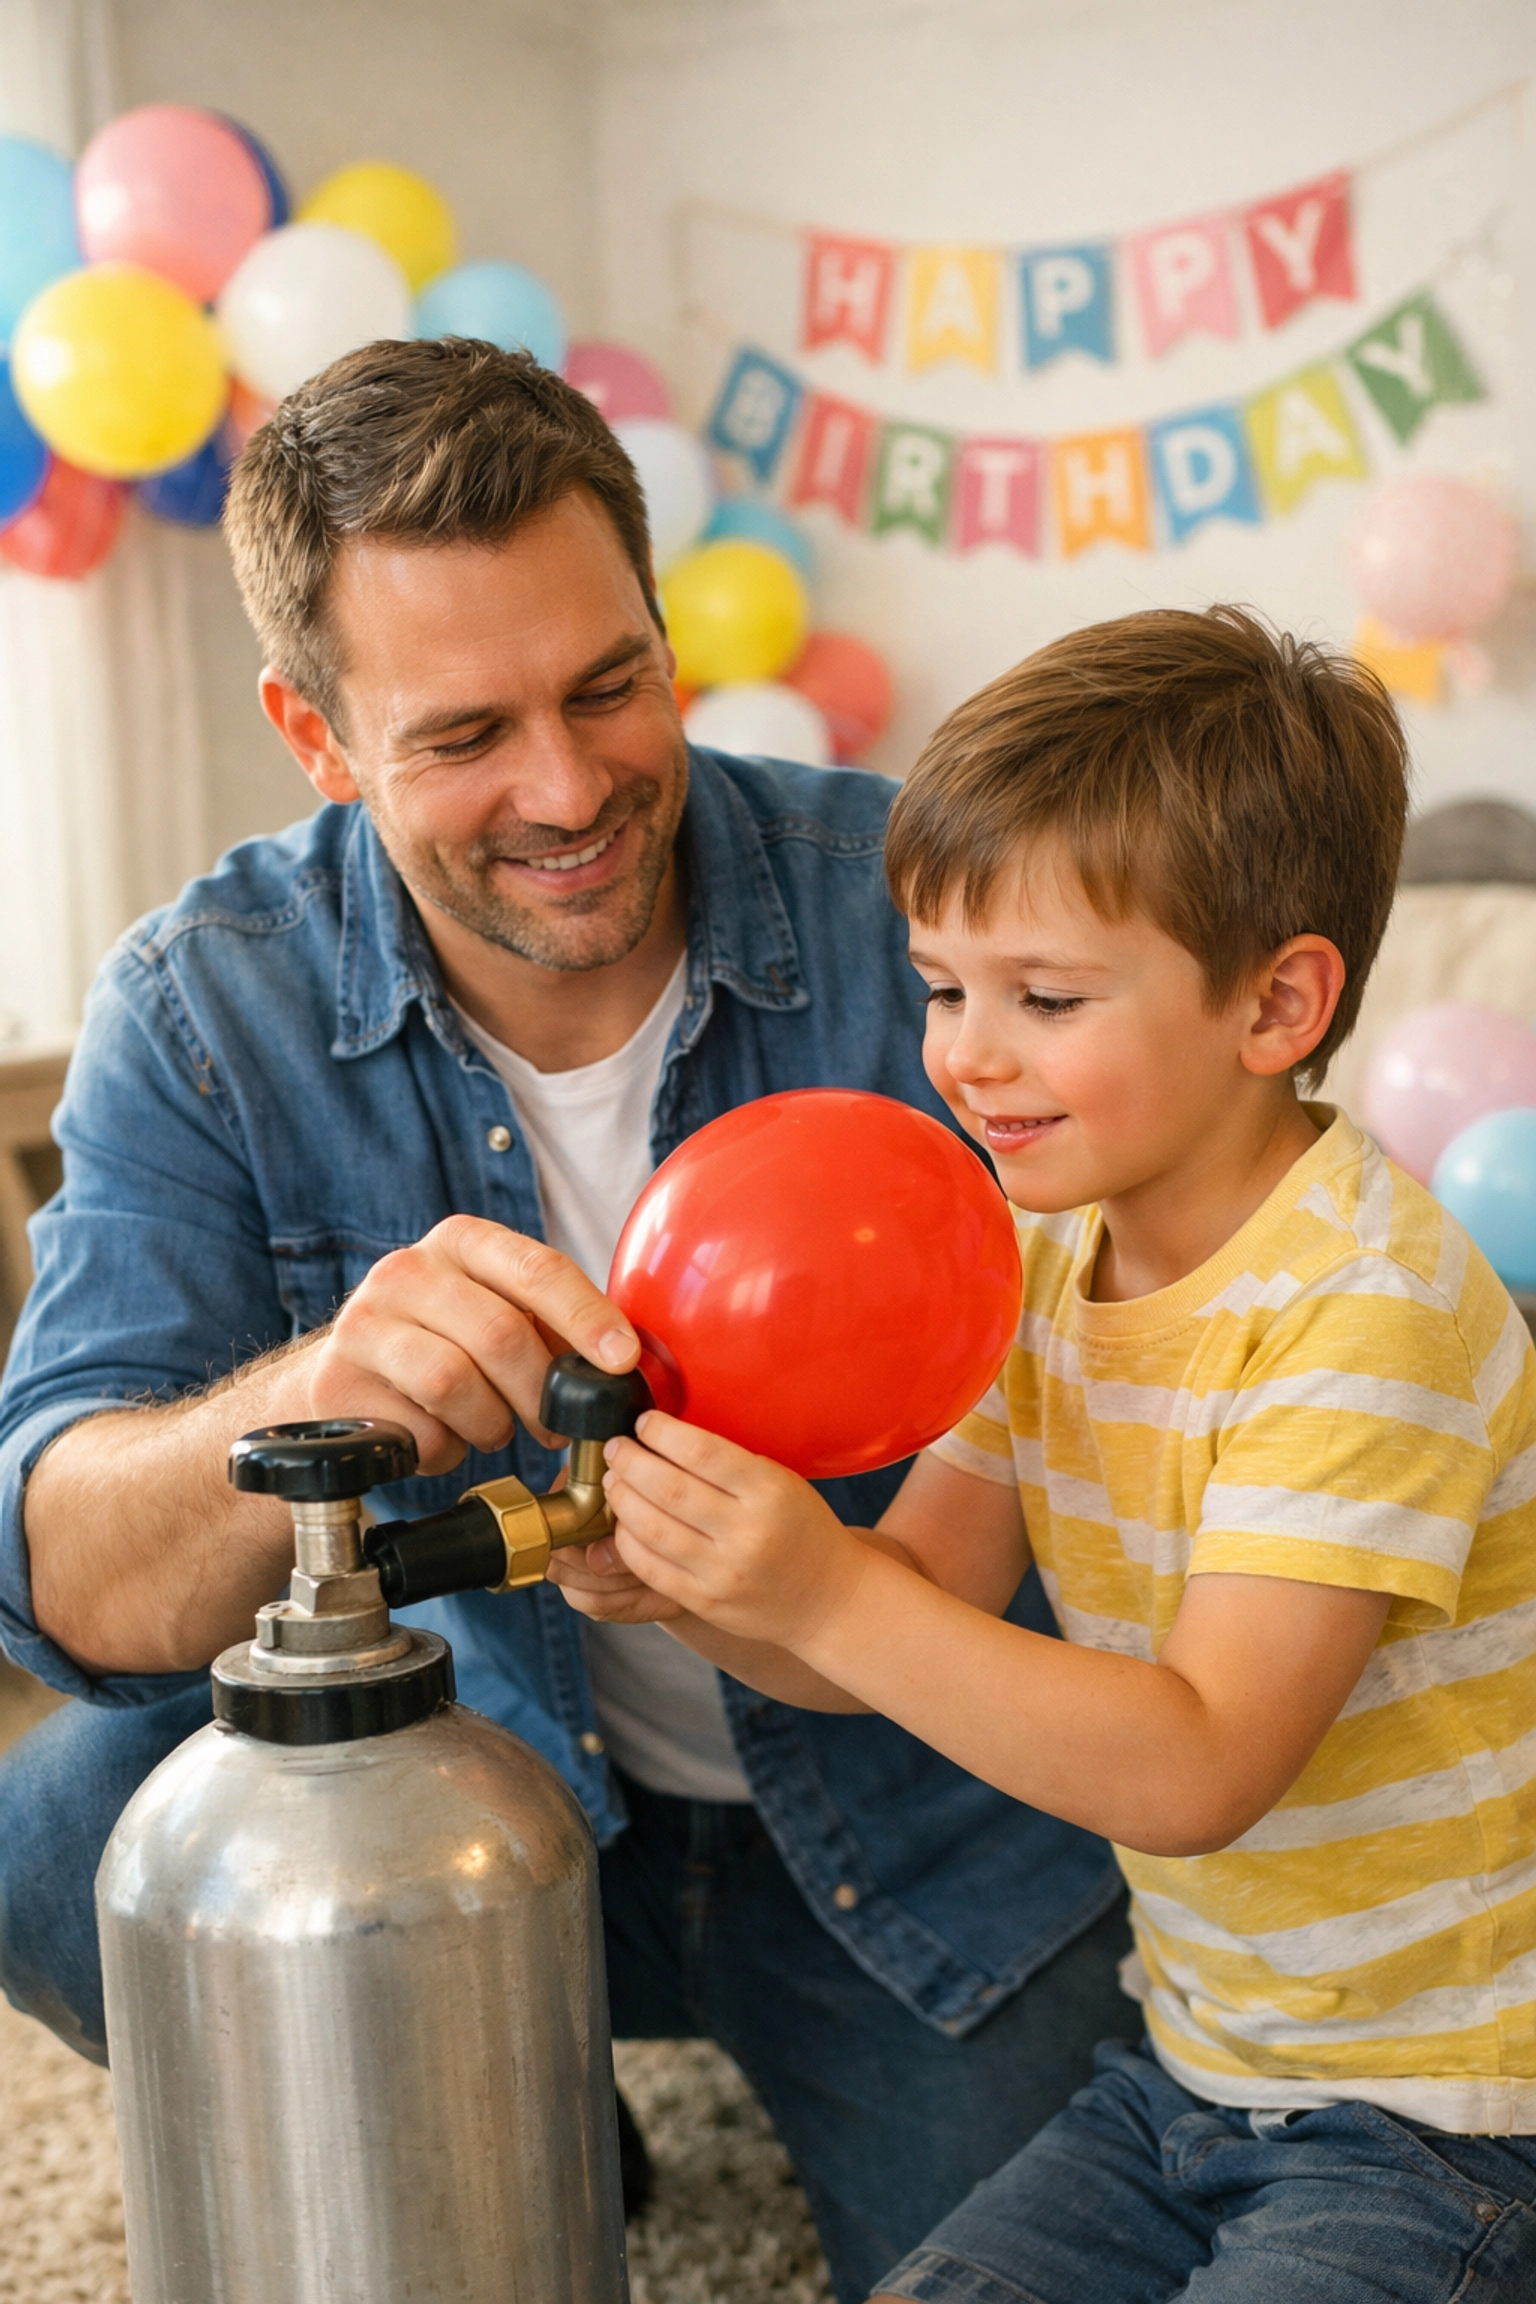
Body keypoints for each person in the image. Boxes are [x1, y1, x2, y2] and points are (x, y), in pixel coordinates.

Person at [0, 338, 1129, 2304]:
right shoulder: (208, 1004)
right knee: (61, 1840)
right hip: (479, 1776)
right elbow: (63, 1584)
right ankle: (524, 2082)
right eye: (463, 734)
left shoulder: (921, 907)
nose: (570, 785)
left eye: (612, 684)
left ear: (667, 632)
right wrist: (313, 1398)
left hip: (917, 1821)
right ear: (316, 731)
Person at [582, 606, 1536, 2302]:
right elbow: (901, 1612)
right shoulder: (1039, 1258)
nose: (965, 1052)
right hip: (1195, 2069)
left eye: (1045, 995)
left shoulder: (1369, 1310)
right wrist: (695, 1580)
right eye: (944, 987)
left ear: (1277, 1002)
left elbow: (1197, 1766)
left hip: (1456, 2114)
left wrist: (814, 1585)